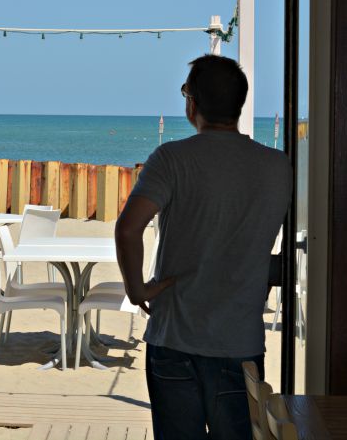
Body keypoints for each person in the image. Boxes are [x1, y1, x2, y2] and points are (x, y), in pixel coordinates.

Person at [115, 54, 292, 440]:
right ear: (240, 105)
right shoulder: (278, 167)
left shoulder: (171, 159)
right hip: (239, 341)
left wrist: (136, 289)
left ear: (191, 102)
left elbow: (128, 230)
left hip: (174, 338)